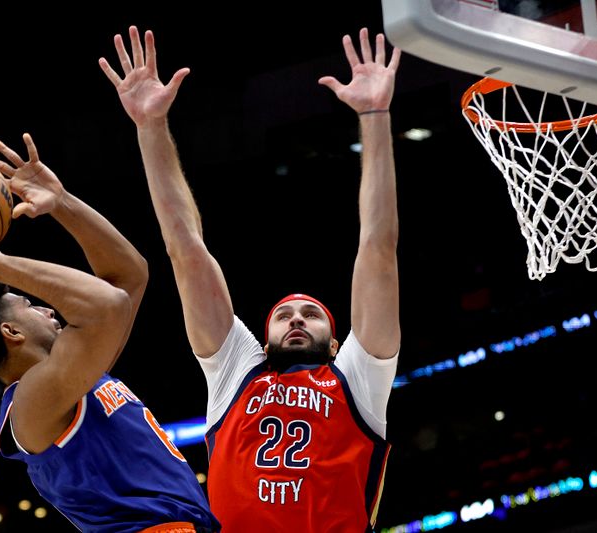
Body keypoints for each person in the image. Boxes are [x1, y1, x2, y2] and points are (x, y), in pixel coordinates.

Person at [101, 26, 401, 532]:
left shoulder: (359, 379)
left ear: (335, 345)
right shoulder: (236, 370)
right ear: (263, 340)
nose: (297, 318)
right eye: (284, 315)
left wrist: (374, 117)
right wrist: (150, 127)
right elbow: (185, 249)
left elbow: (377, 248)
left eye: (311, 314)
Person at [0, 133, 220, 533]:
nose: (47, 307)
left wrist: (62, 203)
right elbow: (107, 305)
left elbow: (130, 275)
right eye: (29, 305)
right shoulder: (30, 405)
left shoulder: (74, 374)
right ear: (11, 332)